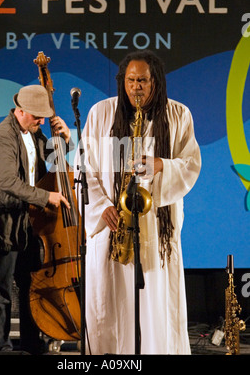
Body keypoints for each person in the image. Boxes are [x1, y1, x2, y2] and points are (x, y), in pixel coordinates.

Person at [74, 50, 201, 355]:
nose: (136, 88)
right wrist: (101, 207)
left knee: (154, 303)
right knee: (110, 305)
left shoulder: (178, 114)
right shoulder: (100, 113)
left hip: (156, 231)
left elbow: (191, 164)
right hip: (111, 228)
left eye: (142, 80)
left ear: (155, 82)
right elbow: (83, 168)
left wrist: (161, 165)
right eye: (130, 80)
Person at [0, 84, 71, 354]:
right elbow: (7, 181)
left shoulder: (36, 133)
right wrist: (45, 197)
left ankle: (32, 341)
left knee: (31, 285)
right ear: (20, 110)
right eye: (36, 116)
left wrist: (64, 140)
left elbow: (54, 163)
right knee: (0, 288)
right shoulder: (2, 136)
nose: (42, 121)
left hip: (27, 223)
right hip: (1, 222)